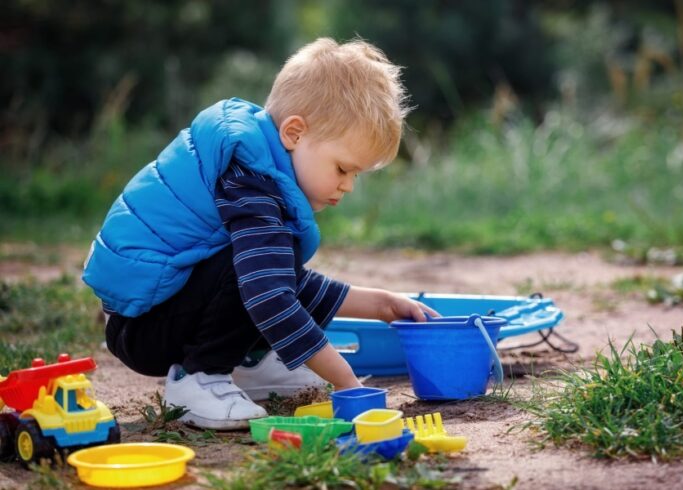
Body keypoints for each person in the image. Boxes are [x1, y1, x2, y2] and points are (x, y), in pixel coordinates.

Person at [82, 38, 437, 430]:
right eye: (342, 169)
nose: (348, 185)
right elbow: (268, 295)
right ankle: (198, 377)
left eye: (355, 175)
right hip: (144, 328)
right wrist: (348, 384)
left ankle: (249, 364)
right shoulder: (251, 180)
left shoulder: (260, 164)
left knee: (264, 264)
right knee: (257, 274)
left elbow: (280, 279)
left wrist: (382, 305)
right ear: (295, 133)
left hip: (159, 310)